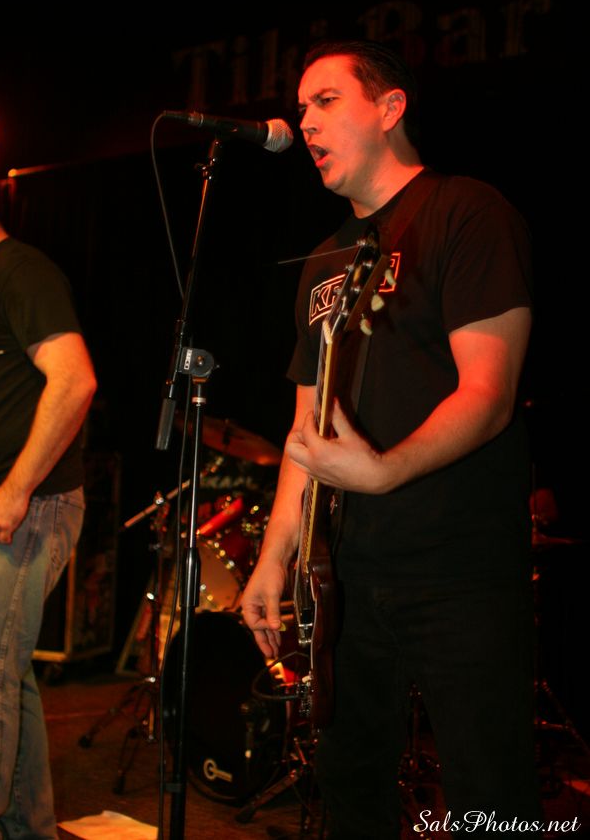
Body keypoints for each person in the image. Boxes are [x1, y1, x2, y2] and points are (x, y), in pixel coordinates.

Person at [241, 40, 541, 837]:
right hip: (346, 574)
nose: (305, 123)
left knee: (489, 796)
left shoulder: (467, 212)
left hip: (459, 565)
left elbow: (489, 393)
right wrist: (274, 555)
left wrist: (384, 470)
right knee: (351, 791)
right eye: (300, 109)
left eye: (325, 101)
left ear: (390, 107)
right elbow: (305, 430)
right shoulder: (323, 261)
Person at [0, 196, 97, 839]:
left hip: (29, 508)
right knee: (6, 669)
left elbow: (75, 381)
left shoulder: (19, 270)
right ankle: (29, 828)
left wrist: (14, 490)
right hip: (7, 506)